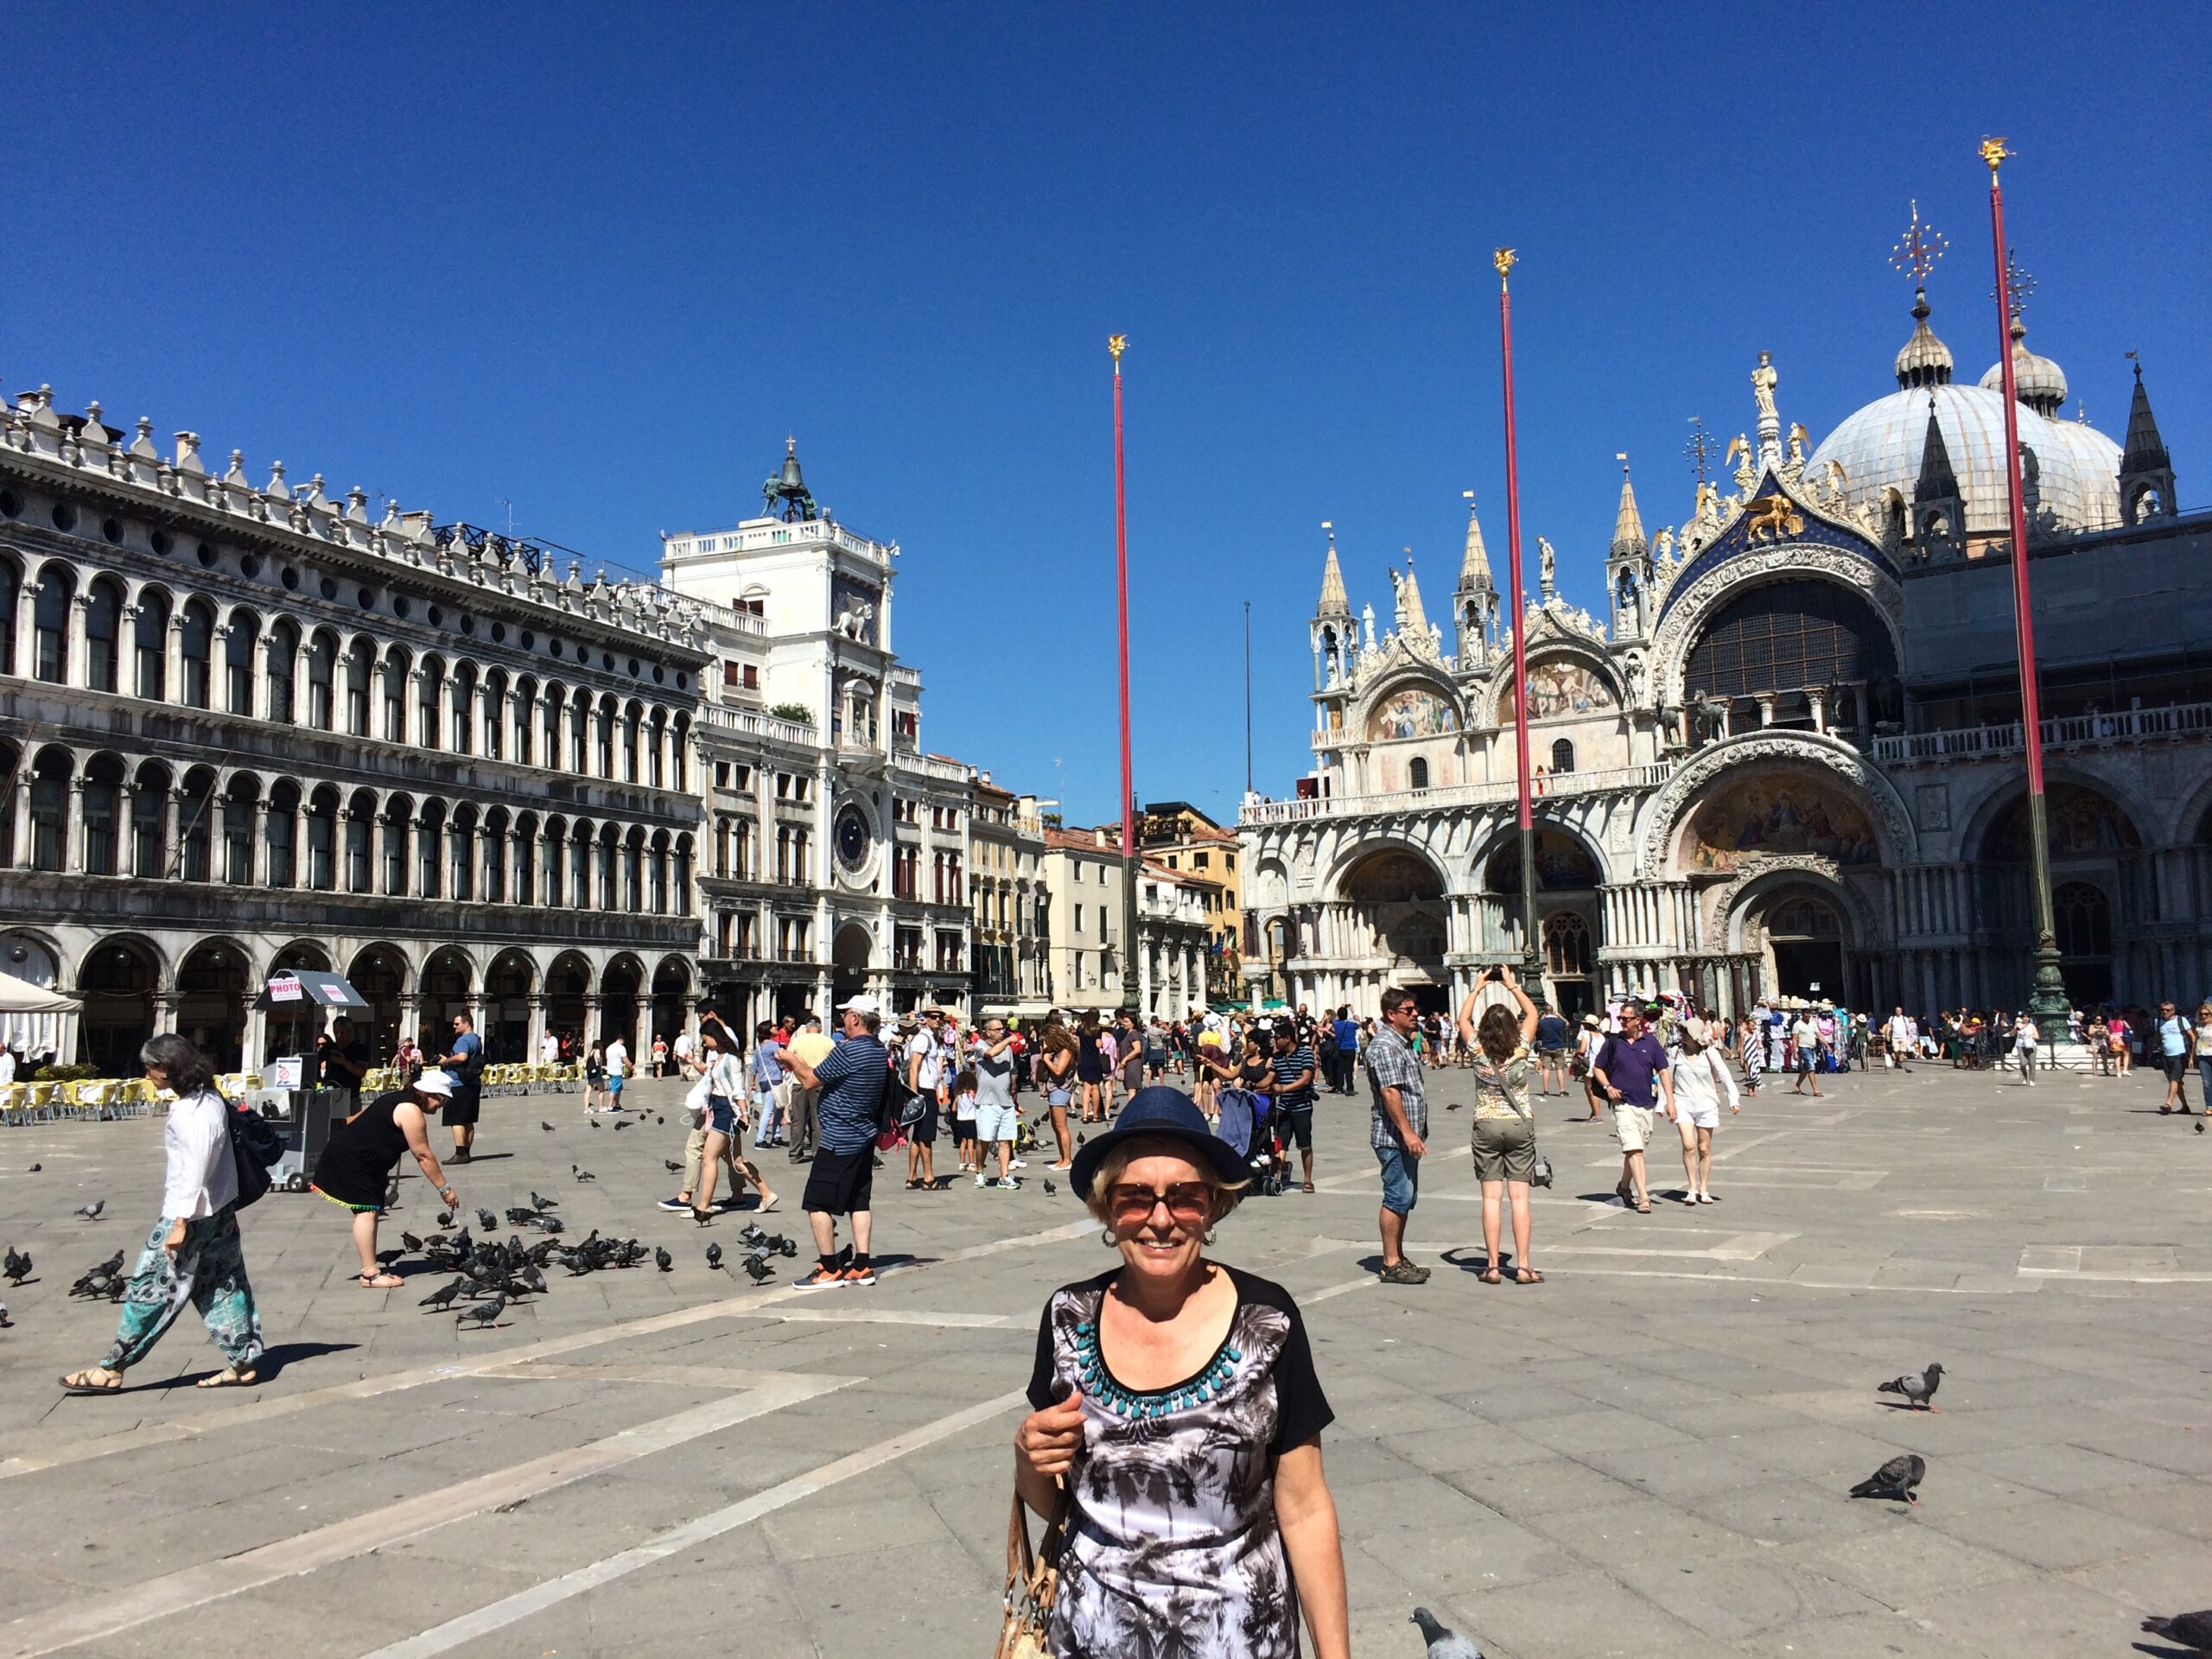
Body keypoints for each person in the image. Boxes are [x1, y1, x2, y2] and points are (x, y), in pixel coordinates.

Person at [1015, 1087, 1350, 1659]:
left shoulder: (1267, 1321)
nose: (1161, 1219)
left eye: (1185, 1197)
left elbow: (1305, 1505)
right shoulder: (1068, 1317)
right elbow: (1062, 1504)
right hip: (1091, 1640)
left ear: (1212, 1206)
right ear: (1107, 1208)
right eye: (1135, 1198)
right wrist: (1027, 1458)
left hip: (1241, 1639)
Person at [60, 1034, 265, 1394]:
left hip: (190, 1216)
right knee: (223, 1284)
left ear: (168, 1069)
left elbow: (196, 1167)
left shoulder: (191, 1112)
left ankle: (113, 1367)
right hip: (219, 1210)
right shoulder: (209, 1097)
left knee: (150, 1290)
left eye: (151, 1068)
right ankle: (242, 1359)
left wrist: (180, 1223)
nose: (147, 1075)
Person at [311, 1068, 461, 1287]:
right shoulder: (410, 1110)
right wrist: (445, 1189)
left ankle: (370, 1269)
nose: (441, 1107)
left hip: (358, 1158)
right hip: (352, 1160)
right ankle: (370, 1274)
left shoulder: (398, 1098)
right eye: (443, 1101)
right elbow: (423, 1155)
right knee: (367, 1211)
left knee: (369, 1210)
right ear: (430, 1094)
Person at [782, 994, 891, 1288]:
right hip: (864, 1135)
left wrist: (791, 1058)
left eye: (845, 1015)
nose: (842, 1019)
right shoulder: (878, 1050)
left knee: (816, 1202)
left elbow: (810, 1080)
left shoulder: (850, 1050)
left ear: (855, 1018)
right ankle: (862, 1266)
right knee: (859, 1200)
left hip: (839, 1138)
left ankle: (829, 1268)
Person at [1458, 966, 1541, 1284]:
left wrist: (1477, 987)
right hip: (1519, 1124)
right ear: (1512, 1026)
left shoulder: (1477, 1048)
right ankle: (1523, 1266)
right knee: (1520, 1200)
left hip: (1486, 1124)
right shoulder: (1522, 1046)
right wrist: (1511, 984)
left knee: (1491, 1200)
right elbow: (1533, 1013)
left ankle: (1492, 1266)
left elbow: (1462, 1021)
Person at [1364, 988, 1429, 1285]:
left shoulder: (1402, 1043)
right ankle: (1390, 1263)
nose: (1415, 1014)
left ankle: (1398, 1257)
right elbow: (1390, 1092)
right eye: (1408, 1010)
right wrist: (1408, 1132)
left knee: (1406, 1197)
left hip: (1405, 1136)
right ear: (1391, 1014)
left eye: (1415, 1009)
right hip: (1393, 1137)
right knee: (1397, 1195)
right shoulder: (1385, 1046)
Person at [1591, 1001, 1672, 1214]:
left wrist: (1670, 1101)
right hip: (1622, 1103)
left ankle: (1624, 1186)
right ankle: (1643, 1196)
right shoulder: (1613, 1042)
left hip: (1645, 1103)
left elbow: (1663, 1071)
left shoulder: (1651, 1042)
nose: (1622, 1022)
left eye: (1626, 1018)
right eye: (1620, 1018)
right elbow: (1597, 1068)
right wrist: (1608, 1087)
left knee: (1636, 1148)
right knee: (1634, 1149)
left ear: (1638, 1020)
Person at [691, 1027, 778, 1220]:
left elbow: (738, 1090)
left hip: (727, 1111)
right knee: (736, 1160)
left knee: (709, 1157)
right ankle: (766, 1193)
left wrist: (745, 1113)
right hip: (719, 1108)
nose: (705, 1043)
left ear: (715, 1037)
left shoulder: (732, 1059)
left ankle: (704, 1205)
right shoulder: (721, 1058)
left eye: (706, 1038)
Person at [1670, 1020, 1740, 1205]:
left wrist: (1733, 1099)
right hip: (1682, 1103)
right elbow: (1668, 1079)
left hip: (1707, 1104)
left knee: (1704, 1148)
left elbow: (1725, 1076)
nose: (1682, 1036)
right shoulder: (1675, 1052)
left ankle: (1704, 1189)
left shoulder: (1710, 1053)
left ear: (1695, 1035)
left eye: (1686, 1032)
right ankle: (1692, 1188)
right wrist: (1665, 1104)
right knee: (1688, 1145)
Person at [1268, 1021, 1320, 1193]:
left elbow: (1305, 1079)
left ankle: (1307, 1179)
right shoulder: (1277, 1057)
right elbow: (1270, 1079)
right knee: (1280, 1144)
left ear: (1287, 1038)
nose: (1275, 1041)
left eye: (1277, 1038)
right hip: (1283, 1107)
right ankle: (1277, 1177)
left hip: (1301, 1107)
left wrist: (1285, 1088)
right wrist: (1250, 1085)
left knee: (1305, 1144)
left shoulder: (1306, 1053)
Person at [972, 1020, 1022, 1188]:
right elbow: (991, 1053)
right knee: (984, 1140)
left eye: (1003, 1029)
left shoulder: (1007, 1049)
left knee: (1005, 1140)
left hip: (1006, 1102)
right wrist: (1008, 1040)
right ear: (987, 1032)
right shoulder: (979, 1045)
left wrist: (1015, 1102)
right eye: (998, 1029)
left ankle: (1004, 1176)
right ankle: (980, 1171)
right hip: (987, 1102)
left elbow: (1011, 1075)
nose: (1002, 1032)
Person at [902, 1010, 943, 1192]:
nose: (937, 1020)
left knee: (918, 1136)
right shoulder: (923, 1038)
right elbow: (914, 1066)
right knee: (926, 1136)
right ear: (925, 1019)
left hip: (925, 1090)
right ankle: (928, 1178)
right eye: (933, 1017)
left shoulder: (930, 1038)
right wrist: (914, 1095)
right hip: (924, 1091)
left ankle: (912, 1178)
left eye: (940, 1017)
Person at [435, 1011, 484, 1160]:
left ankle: (460, 1153)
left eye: (457, 1024)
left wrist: (446, 1061)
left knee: (456, 1120)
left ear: (466, 1024)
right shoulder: (476, 1039)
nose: (454, 1027)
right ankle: (466, 1152)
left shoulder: (463, 1040)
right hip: (472, 1082)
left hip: (459, 1083)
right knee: (468, 1120)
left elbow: (462, 1057)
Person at [1036, 1020, 1077, 1171]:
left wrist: (1047, 1060)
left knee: (1061, 1126)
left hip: (1061, 1090)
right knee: (1056, 1126)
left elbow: (1059, 1071)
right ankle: (1062, 1157)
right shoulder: (1058, 1051)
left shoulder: (1066, 1051)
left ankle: (1067, 1160)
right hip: (1054, 1089)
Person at [317, 1015, 371, 1108]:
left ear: (350, 1032)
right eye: (335, 1032)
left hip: (350, 1096)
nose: (338, 1036)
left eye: (342, 1033)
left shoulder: (360, 1049)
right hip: (329, 1094)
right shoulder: (328, 1048)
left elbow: (362, 1072)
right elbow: (315, 1064)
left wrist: (344, 1062)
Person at [2156, 1001, 2193, 1113]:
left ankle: (2168, 1104)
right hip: (2166, 1055)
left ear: (2173, 1011)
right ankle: (2185, 1107)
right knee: (2176, 1082)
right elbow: (2158, 1037)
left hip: (2180, 1055)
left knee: (2174, 1079)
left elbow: (2192, 1036)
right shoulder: (2159, 1021)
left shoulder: (2181, 1020)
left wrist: (2192, 1055)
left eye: (2167, 1010)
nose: (2164, 1012)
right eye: (2163, 1010)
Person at [1531, 1003, 1572, 1098]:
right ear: (1553, 1011)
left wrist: (1542, 1017)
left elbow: (1536, 1024)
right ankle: (1562, 1091)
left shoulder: (1542, 1022)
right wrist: (1559, 1015)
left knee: (1546, 1069)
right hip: (1558, 1047)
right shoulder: (1559, 1022)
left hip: (1546, 1047)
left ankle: (1546, 1091)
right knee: (1559, 1069)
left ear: (1545, 1012)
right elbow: (1567, 1024)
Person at [1789, 1006, 1824, 1097]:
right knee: (1811, 1068)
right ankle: (1815, 1089)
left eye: (1809, 1013)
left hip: (1812, 1048)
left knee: (1806, 1068)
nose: (1808, 1015)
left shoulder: (1813, 1023)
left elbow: (1819, 1035)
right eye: (1806, 1013)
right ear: (1803, 1014)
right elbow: (1795, 1039)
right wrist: (1795, 1052)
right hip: (1804, 1048)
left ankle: (1797, 1086)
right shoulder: (1797, 1025)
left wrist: (1826, 1045)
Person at [1738, 1014, 1764, 1096]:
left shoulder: (1755, 1034)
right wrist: (1741, 1058)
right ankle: (1749, 1089)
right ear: (1747, 1025)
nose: (1753, 1027)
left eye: (1754, 1026)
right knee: (1750, 1072)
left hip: (1754, 1055)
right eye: (1752, 1026)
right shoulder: (1743, 1034)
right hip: (1747, 1055)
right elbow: (1741, 1047)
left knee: (1756, 1072)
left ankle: (1753, 1088)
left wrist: (1759, 1045)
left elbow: (1757, 1044)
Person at [2014, 1011, 2041, 1086]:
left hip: (2030, 1046)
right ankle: (2025, 1076)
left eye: (2027, 1017)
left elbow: (2037, 1036)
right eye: (2024, 1017)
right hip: (2021, 1046)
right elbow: (2013, 1033)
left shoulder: (2032, 1026)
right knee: (2022, 1064)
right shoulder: (2018, 1025)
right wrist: (2016, 1028)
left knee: (2032, 1064)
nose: (2026, 1018)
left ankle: (2032, 1080)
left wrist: (2030, 1036)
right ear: (2021, 1018)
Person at [604, 1033, 629, 1109]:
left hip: (610, 1070)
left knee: (618, 1088)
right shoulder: (621, 1048)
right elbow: (625, 1060)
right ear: (622, 1040)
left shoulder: (609, 1047)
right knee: (614, 1089)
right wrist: (632, 1068)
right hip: (616, 1071)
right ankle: (610, 1106)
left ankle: (617, 1105)